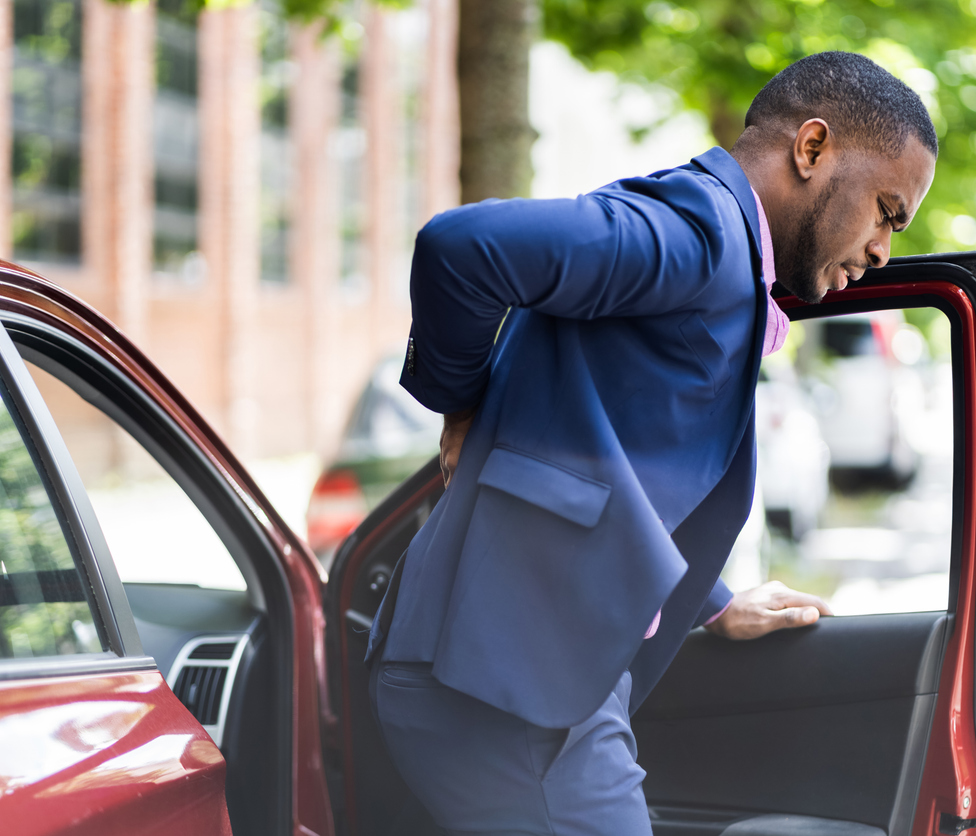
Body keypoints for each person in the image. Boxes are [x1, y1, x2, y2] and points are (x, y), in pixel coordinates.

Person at [366, 50, 937, 835]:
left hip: (531, 681)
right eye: (887, 210)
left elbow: (599, 464)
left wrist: (711, 602)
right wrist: (458, 405)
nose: (883, 250)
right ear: (812, 149)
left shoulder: (724, 254)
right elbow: (462, 248)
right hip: (500, 693)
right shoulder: (697, 232)